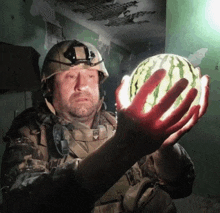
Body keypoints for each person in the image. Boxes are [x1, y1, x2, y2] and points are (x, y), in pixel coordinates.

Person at [0, 40, 210, 213]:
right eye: (70, 76)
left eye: (90, 76)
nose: (82, 85)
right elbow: (20, 204)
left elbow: (180, 187)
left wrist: (164, 147)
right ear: (48, 86)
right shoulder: (32, 133)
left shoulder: (120, 123)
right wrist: (124, 147)